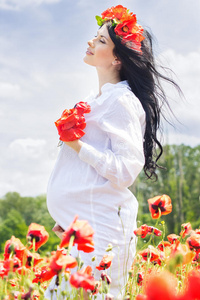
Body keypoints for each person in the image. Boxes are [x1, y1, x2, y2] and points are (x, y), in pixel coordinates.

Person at [45, 5, 180, 299]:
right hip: (83, 230)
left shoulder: (121, 100)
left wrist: (78, 145)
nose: (90, 42)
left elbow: (126, 169)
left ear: (118, 58)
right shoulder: (100, 99)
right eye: (95, 36)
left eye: (101, 40)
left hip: (102, 234)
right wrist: (70, 218)